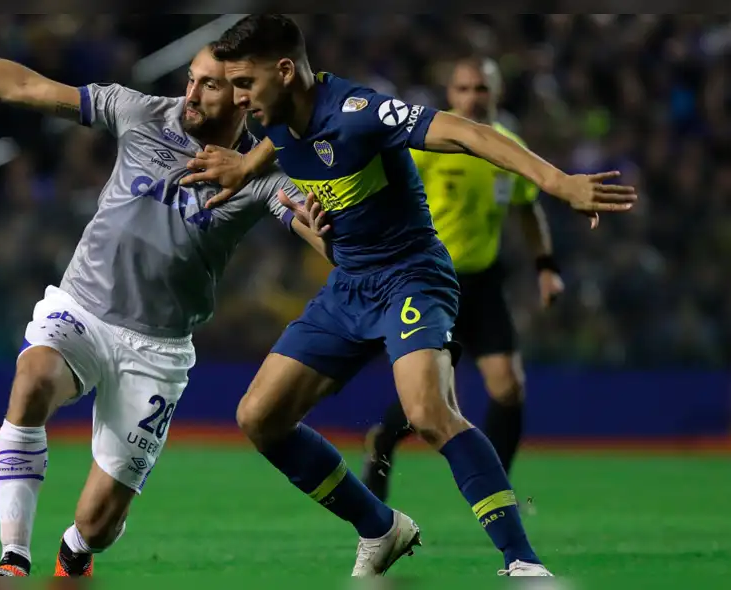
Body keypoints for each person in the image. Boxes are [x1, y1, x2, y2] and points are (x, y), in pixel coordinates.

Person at [0, 14, 328, 578]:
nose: (191, 92)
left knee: (99, 522)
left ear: (243, 96)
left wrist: (332, 238)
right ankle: (13, 560)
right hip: (82, 309)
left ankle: (75, 553)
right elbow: (25, 87)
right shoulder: (141, 114)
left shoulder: (260, 172)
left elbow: (306, 221)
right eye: (192, 77)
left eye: (210, 84)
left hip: (157, 349)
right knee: (32, 378)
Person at [183, 14, 635, 577]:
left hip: (411, 276)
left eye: (245, 84)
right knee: (258, 416)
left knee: (427, 411)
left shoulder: (360, 113)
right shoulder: (275, 117)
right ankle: (381, 526)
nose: (239, 98)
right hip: (348, 284)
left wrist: (558, 182)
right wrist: (245, 168)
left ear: (284, 71)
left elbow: (469, 133)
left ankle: (521, 559)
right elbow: (279, 145)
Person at [360, 56, 565, 501]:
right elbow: (385, 190)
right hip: (430, 279)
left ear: (497, 94)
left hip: (483, 280)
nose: (473, 98)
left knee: (508, 387)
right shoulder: (429, 143)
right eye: (464, 89)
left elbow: (528, 207)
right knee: (429, 400)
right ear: (450, 95)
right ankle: (383, 441)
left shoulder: (509, 147)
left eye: (482, 89)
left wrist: (545, 266)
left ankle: (498, 485)